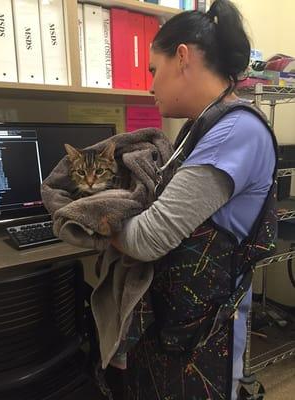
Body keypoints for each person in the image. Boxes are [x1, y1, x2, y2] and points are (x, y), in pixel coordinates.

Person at [110, 1, 277, 399]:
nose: (150, 86)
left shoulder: (237, 132)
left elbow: (148, 238)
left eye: (153, 69)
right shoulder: (201, 127)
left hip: (202, 340)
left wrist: (99, 225)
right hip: (175, 327)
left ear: (182, 57)